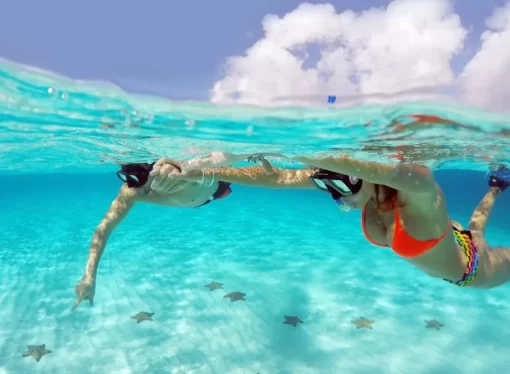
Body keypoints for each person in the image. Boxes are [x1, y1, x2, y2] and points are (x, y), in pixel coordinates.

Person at [154, 153, 510, 289]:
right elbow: (275, 178)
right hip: (457, 241)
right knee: (475, 228)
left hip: (476, 272)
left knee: (477, 233)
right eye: (329, 187)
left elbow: (411, 173)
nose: (339, 197)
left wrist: (308, 151)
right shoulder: (358, 183)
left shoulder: (420, 196)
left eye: (341, 184)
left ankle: (496, 187)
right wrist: (197, 172)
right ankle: (497, 187)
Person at [72, 158, 233, 311]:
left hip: (216, 186)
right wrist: (89, 277)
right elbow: (103, 228)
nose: (135, 185)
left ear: (155, 171)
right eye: (127, 177)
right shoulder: (133, 190)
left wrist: (181, 172)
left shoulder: (175, 174)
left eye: (138, 177)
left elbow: (198, 169)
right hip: (196, 192)